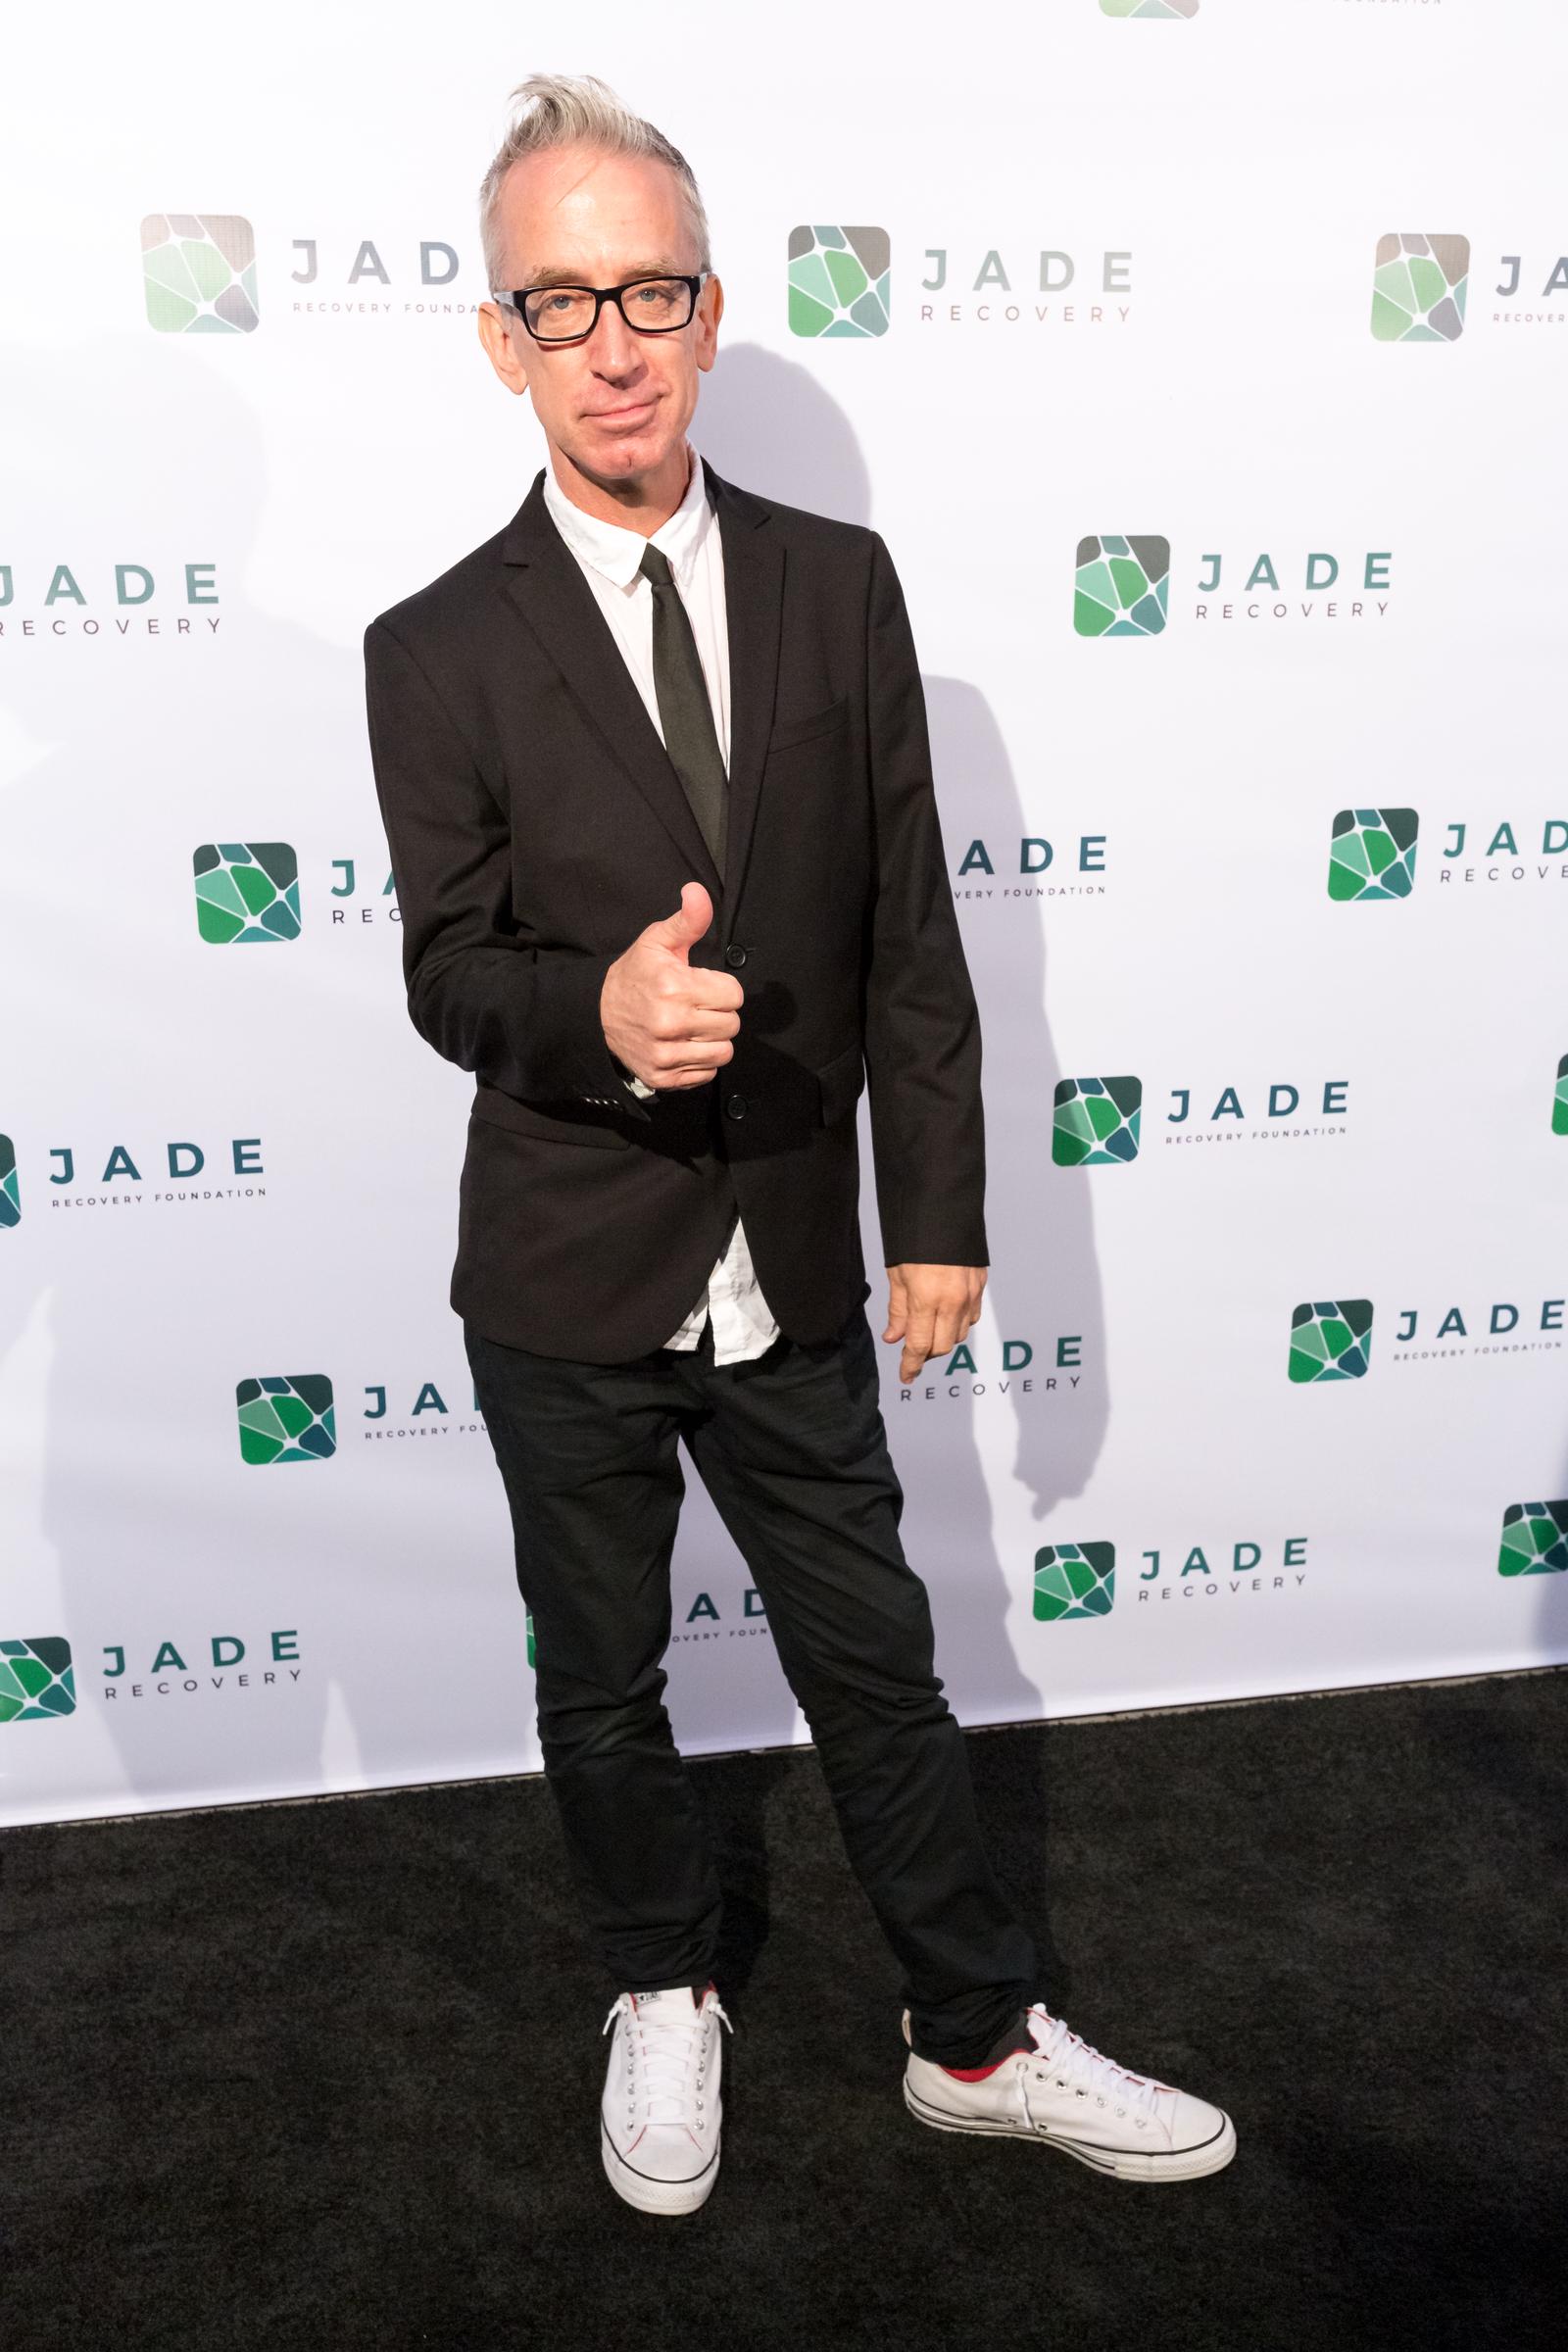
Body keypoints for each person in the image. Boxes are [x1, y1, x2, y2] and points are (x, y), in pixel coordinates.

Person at [362, 72, 1235, 2217]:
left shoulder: (841, 585)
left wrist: (934, 1213)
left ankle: (973, 2034)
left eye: (647, 289)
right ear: (499, 337)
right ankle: (661, 1989)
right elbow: (448, 971)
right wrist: (595, 1013)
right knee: (601, 1679)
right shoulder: (434, 648)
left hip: (793, 1255)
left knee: (881, 1662)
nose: (614, 343)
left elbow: (910, 931)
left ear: (711, 305)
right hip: (561, 1274)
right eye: (560, 304)